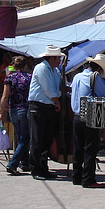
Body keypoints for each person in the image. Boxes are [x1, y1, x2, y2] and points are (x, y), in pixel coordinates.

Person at [70, 55, 105, 188]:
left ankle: (77, 176)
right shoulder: (95, 78)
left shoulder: (77, 77)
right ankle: (88, 179)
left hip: (77, 115)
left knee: (78, 147)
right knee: (90, 148)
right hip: (91, 116)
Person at [27, 45, 64, 181]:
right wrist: (57, 101)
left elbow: (58, 86)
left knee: (46, 139)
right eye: (58, 58)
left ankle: (43, 167)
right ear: (52, 58)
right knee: (37, 139)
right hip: (39, 107)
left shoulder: (54, 71)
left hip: (48, 107)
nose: (59, 60)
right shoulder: (42, 68)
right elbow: (48, 89)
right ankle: (36, 168)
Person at [0, 55, 32, 175]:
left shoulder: (9, 78)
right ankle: (13, 164)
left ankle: (25, 163)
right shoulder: (29, 78)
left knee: (20, 138)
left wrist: (0, 113)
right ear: (26, 65)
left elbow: (5, 96)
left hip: (13, 110)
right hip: (25, 110)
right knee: (25, 139)